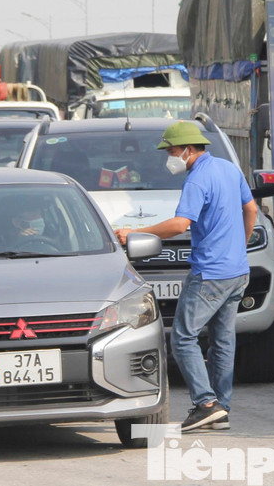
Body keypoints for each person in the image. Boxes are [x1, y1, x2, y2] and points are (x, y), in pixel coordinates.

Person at [114, 121, 256, 433]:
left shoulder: (197, 179)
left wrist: (134, 231)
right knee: (222, 340)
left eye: (172, 151)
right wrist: (239, 247)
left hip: (210, 274)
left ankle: (206, 404)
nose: (170, 156)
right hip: (236, 271)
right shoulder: (229, 170)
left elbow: (180, 225)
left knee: (182, 338)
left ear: (189, 150)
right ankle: (221, 408)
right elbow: (252, 210)